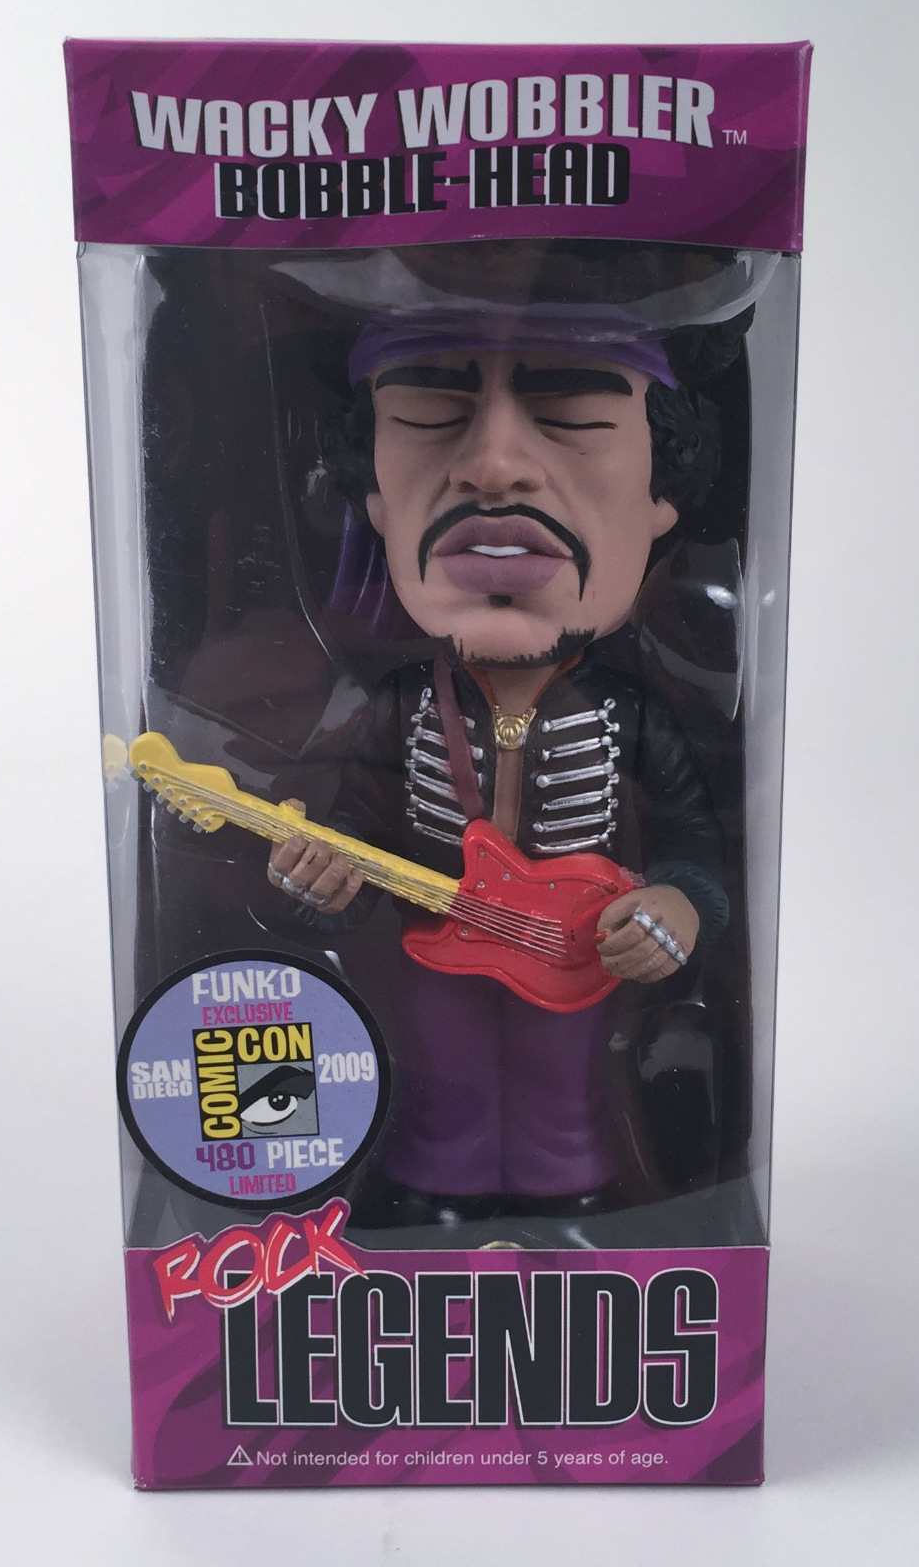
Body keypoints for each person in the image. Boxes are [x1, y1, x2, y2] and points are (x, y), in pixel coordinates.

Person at [266, 295, 746, 1230]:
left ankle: (571, 1204)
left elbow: (692, 836)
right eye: (426, 415)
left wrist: (683, 906)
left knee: (565, 1096)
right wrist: (323, 883)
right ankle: (434, 1206)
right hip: (435, 949)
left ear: (664, 492)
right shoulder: (400, 704)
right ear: (371, 495)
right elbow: (356, 829)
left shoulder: (632, 711)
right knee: (440, 1084)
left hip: (581, 955)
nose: (492, 467)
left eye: (574, 414)